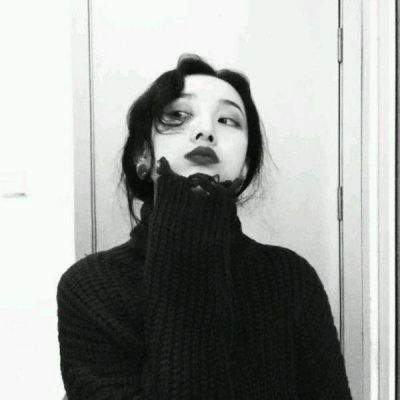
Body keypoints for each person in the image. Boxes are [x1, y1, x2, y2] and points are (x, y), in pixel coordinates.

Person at [57, 54, 353, 399]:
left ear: (244, 166)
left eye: (227, 120)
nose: (206, 131)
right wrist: (184, 235)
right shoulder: (91, 287)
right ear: (143, 155)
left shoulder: (291, 278)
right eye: (178, 116)